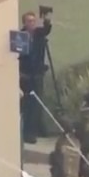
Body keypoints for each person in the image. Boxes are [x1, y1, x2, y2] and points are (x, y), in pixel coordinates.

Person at [18, 9, 52, 144]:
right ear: (24, 23)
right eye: (29, 21)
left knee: (36, 103)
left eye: (33, 21)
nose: (31, 23)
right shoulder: (20, 36)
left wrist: (46, 19)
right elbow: (17, 56)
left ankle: (36, 130)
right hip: (25, 75)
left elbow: (47, 29)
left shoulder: (39, 34)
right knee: (27, 104)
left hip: (37, 74)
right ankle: (27, 132)